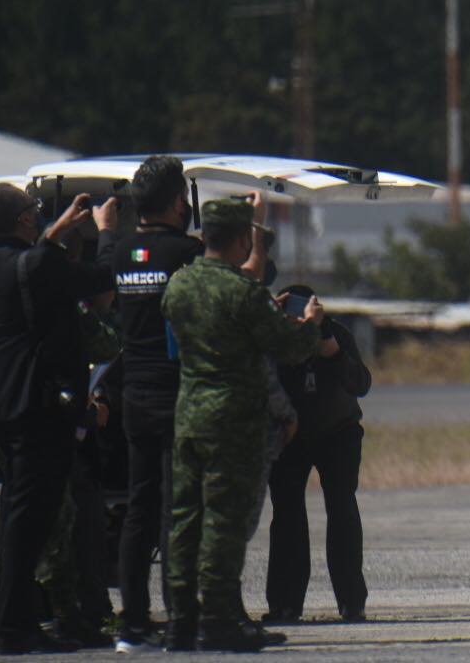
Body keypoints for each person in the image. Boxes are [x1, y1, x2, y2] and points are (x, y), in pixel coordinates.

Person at [106, 156, 266, 652]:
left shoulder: (119, 253)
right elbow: (243, 278)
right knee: (183, 511)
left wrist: (108, 231)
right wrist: (252, 226)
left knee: (139, 509)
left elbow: (105, 268)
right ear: (181, 203)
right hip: (182, 395)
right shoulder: (187, 254)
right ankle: (185, 617)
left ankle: (131, 623)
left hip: (134, 393)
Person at [161, 198, 323, 651]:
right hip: (234, 421)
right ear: (240, 240)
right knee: (224, 523)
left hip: (189, 414)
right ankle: (218, 618)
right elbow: (287, 346)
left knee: (184, 520)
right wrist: (310, 325)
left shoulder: (179, 286)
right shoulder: (242, 293)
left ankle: (180, 619)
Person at [0, 186, 114, 655]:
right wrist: (105, 233)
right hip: (38, 406)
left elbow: (32, 267)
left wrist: (53, 234)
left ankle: (19, 619)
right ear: (25, 222)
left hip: (6, 400)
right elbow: (101, 278)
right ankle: (13, 627)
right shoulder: (40, 264)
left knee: (17, 515)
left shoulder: (19, 262)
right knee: (32, 519)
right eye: (35, 214)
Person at [264, 294, 373, 625]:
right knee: (286, 515)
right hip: (289, 435)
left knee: (341, 509)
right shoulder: (273, 336)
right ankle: (285, 603)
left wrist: (334, 352)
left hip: (337, 432)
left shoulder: (335, 333)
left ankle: (352, 602)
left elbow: (361, 384)